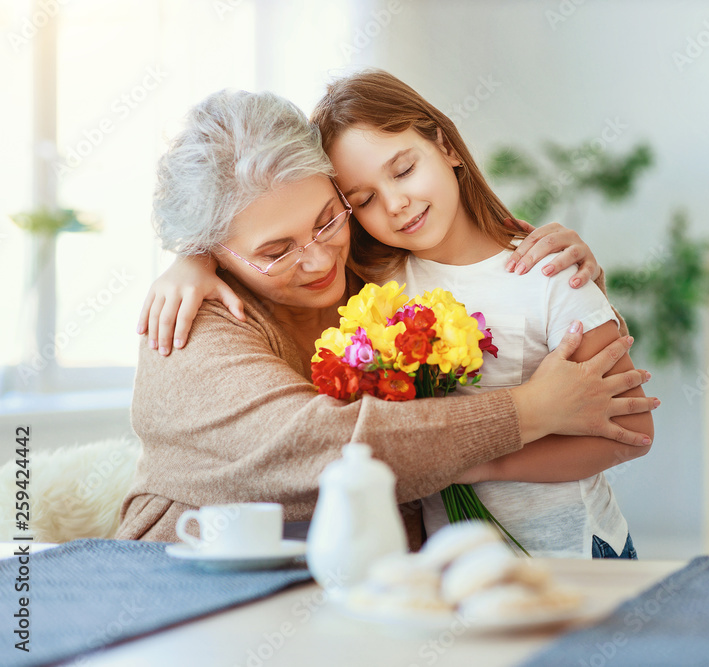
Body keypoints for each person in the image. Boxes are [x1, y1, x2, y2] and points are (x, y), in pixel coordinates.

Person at [142, 71, 653, 559]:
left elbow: (622, 412)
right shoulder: (194, 321)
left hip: (553, 553)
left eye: (327, 220)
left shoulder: (371, 273)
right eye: (277, 251)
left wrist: (582, 283)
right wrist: (191, 258)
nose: (321, 260)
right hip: (201, 586)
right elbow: (323, 448)